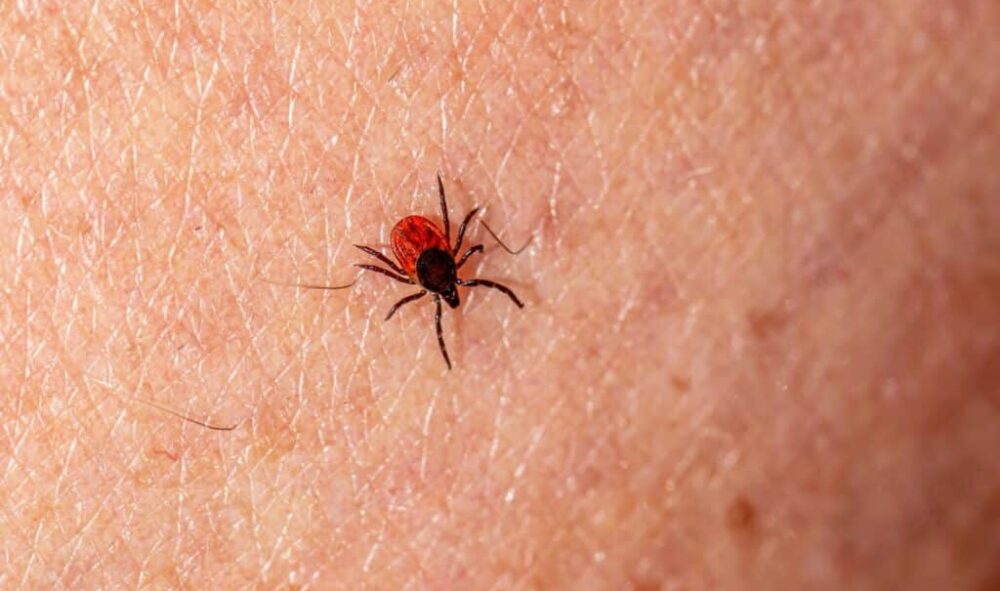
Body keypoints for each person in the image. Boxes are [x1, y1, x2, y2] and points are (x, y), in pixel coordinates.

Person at [1, 1, 996, 588]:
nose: (449, 280)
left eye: (447, 277)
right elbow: (406, 253)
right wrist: (421, 255)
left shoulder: (433, 264)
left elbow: (413, 251)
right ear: (428, 272)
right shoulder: (431, 265)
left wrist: (431, 258)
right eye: (442, 280)